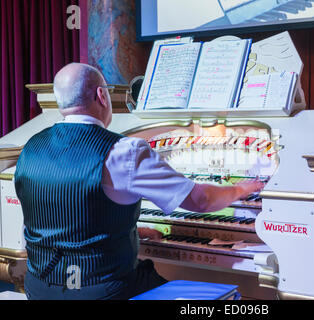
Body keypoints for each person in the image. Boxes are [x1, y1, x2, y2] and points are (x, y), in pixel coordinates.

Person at [14, 63, 264, 300]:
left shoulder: (31, 147)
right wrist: (240, 189)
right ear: (102, 95)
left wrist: (132, 231)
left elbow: (64, 213)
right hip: (104, 290)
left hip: (39, 287)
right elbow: (200, 200)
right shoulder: (123, 150)